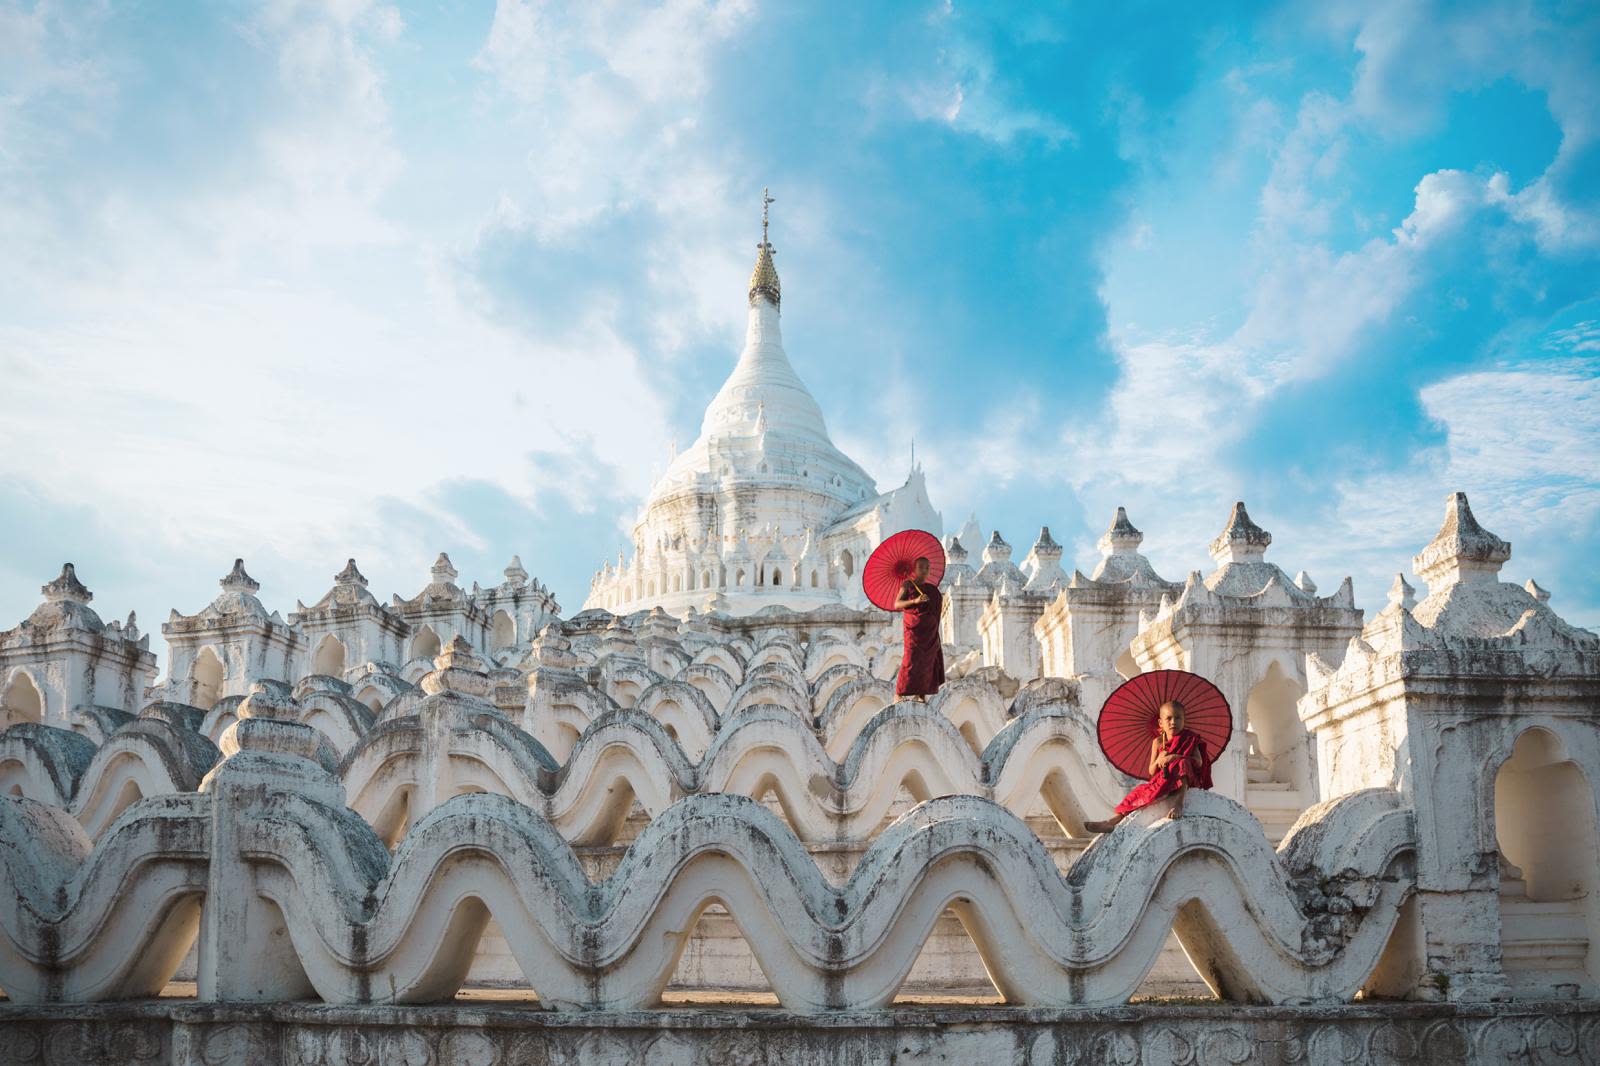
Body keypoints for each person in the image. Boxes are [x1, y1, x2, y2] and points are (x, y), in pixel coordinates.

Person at [1084, 699, 1211, 832]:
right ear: (1161, 722)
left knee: (1182, 763)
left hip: (1184, 780)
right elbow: (1151, 771)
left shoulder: (1190, 738)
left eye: (1178, 718)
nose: (1174, 722)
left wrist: (1174, 757)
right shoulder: (1157, 742)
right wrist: (1159, 760)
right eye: (1169, 718)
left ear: (1184, 721)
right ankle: (1111, 822)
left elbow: (1198, 761)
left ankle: (1178, 804)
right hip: (1164, 779)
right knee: (1137, 793)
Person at [892, 556, 945, 702]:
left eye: (927, 567)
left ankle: (921, 694)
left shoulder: (932, 590)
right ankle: (899, 693)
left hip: (929, 632)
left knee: (927, 661)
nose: (924, 570)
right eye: (921, 567)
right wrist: (915, 600)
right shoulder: (908, 585)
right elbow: (897, 604)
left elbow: (936, 609)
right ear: (914, 569)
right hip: (914, 630)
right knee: (911, 658)